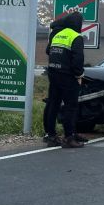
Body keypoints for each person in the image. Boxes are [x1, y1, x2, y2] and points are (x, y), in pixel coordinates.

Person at [43, 12, 87, 148]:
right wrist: (79, 75)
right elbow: (78, 60)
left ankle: (51, 136)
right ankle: (69, 137)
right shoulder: (76, 37)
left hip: (53, 73)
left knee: (53, 104)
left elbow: (48, 51)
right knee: (70, 107)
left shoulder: (57, 34)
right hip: (68, 76)